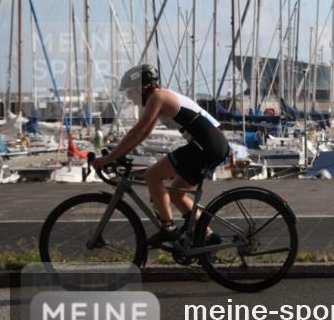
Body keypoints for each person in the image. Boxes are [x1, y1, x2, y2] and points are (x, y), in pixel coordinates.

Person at [91, 65, 230, 246]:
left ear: (142, 87)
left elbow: (137, 133)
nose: (128, 97)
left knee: (152, 176)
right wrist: (118, 154)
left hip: (206, 145)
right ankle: (210, 237)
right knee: (175, 194)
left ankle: (168, 229)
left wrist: (108, 158)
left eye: (129, 91)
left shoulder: (158, 97)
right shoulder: (160, 97)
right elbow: (144, 133)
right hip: (210, 145)